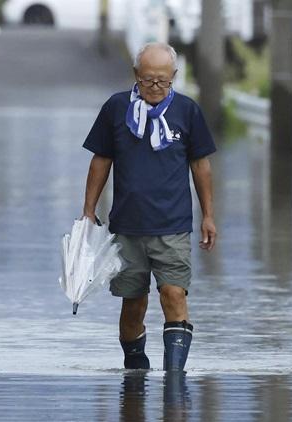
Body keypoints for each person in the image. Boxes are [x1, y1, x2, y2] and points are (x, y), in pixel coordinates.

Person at [82, 42, 217, 372]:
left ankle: (174, 377)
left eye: (163, 80)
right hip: (127, 227)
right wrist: (88, 210)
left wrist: (208, 216)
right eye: (148, 80)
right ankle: (136, 367)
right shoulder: (116, 109)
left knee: (173, 294)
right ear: (135, 76)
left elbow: (201, 165)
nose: (155, 87)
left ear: (173, 76)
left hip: (172, 226)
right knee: (133, 305)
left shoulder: (187, 111)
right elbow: (101, 160)